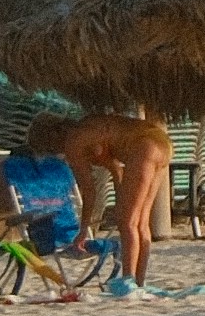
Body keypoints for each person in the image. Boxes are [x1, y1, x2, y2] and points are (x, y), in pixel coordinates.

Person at [47, 100, 174, 285]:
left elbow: (89, 191)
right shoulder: (90, 126)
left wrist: (83, 230)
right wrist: (121, 199)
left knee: (128, 222)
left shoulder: (73, 142)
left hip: (144, 147)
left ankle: (127, 281)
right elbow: (117, 171)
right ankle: (138, 282)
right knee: (141, 221)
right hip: (162, 144)